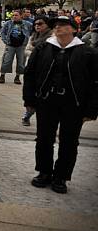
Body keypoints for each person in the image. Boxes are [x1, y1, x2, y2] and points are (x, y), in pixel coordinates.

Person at [23, 16, 98, 194]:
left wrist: (91, 109)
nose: (58, 28)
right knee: (43, 138)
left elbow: (95, 83)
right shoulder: (43, 48)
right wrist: (30, 99)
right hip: (47, 100)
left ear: (74, 29)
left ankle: (61, 176)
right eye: (56, 25)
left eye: (63, 25)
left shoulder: (87, 52)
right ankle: (44, 172)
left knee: (69, 141)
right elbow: (30, 74)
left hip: (73, 104)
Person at [0, 10, 32, 84]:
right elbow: (2, 32)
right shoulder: (8, 23)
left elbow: (34, 30)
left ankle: (17, 77)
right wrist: (5, 40)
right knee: (6, 60)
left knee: (21, 62)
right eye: (13, 15)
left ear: (21, 16)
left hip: (21, 46)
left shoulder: (27, 24)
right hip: (10, 45)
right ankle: (2, 75)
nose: (14, 17)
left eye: (16, 15)